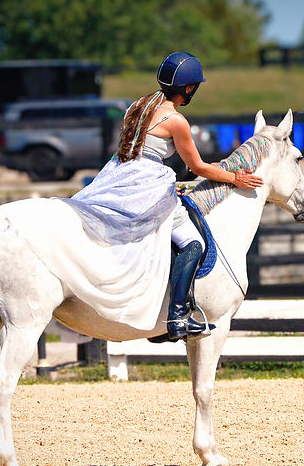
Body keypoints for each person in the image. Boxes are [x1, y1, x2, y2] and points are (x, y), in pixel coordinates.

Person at [66, 51, 262, 341]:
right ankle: (178, 317)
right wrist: (236, 177)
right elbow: (198, 167)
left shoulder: (138, 106)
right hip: (146, 183)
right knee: (192, 243)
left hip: (117, 174)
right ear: (189, 88)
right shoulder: (176, 120)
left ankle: (151, 307)